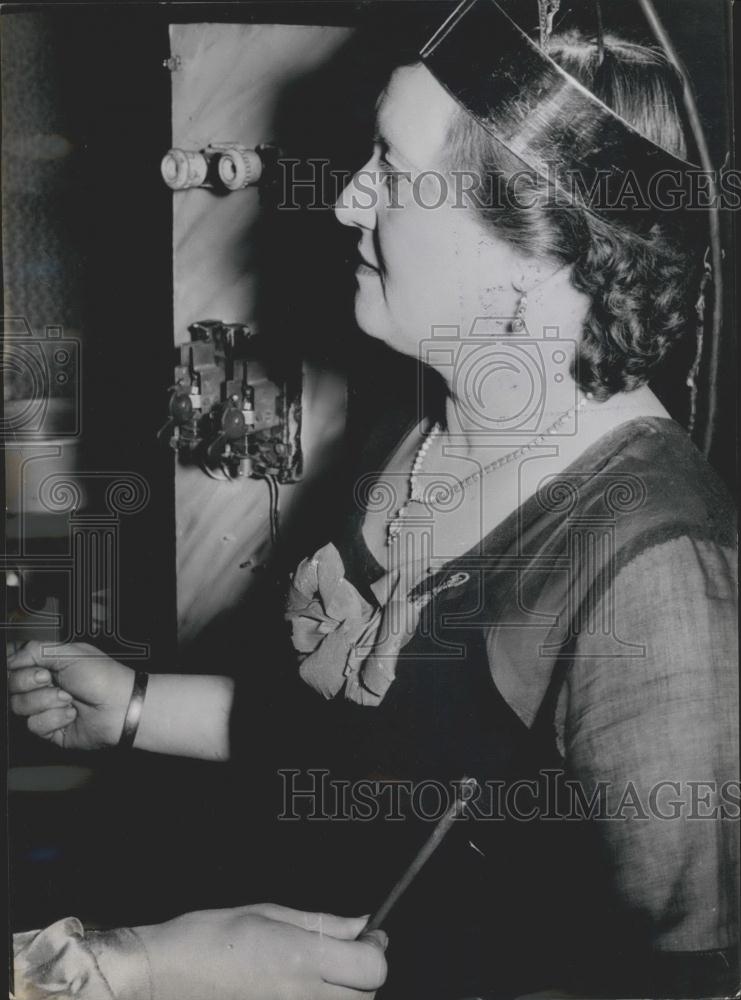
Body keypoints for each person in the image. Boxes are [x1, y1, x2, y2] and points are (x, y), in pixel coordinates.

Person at [9, 2, 738, 997]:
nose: (349, 200)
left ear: (533, 256)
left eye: (391, 169)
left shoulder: (657, 577)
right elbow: (361, 742)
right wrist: (135, 708)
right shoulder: (426, 424)